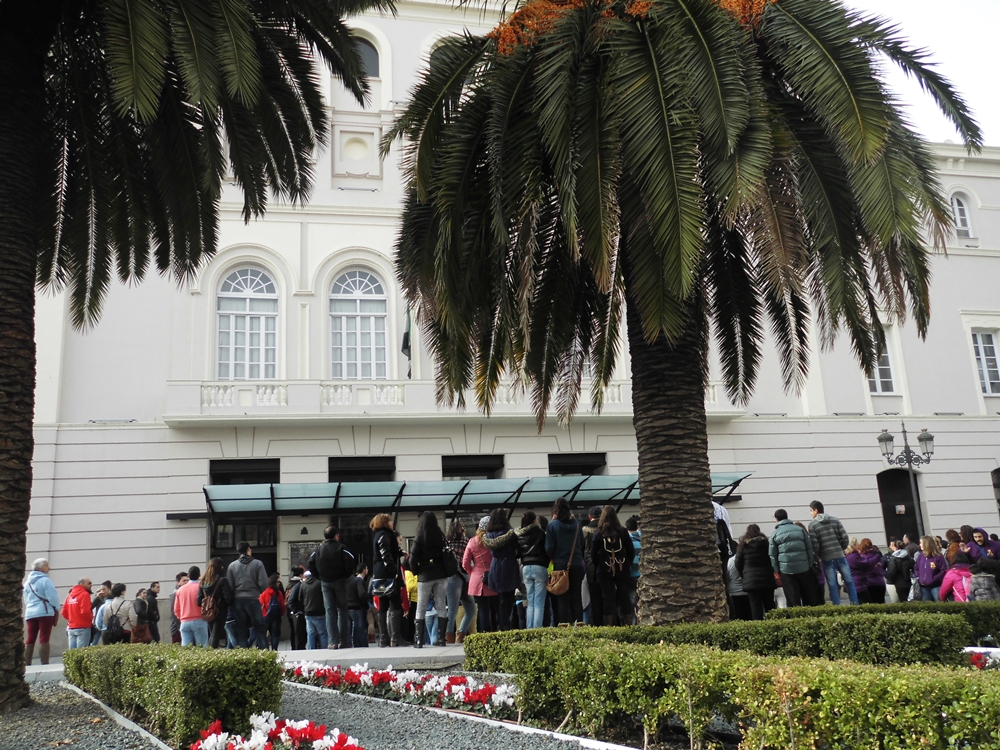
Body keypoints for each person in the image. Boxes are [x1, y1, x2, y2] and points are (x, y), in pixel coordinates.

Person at [408, 511, 451, 647]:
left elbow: (413, 558)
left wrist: (416, 571)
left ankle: (419, 640)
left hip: (425, 575)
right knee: (441, 605)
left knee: (421, 606)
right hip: (441, 574)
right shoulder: (441, 536)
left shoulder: (419, 537)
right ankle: (441, 638)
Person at [309, 526, 356, 650]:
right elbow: (350, 560)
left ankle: (332, 642)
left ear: (325, 537)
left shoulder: (318, 550)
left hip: (325, 582)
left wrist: (319, 576)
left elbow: (310, 563)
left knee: (329, 611)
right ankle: (344, 641)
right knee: (342, 610)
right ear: (337, 536)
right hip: (340, 581)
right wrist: (346, 575)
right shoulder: (342, 548)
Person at [807, 501, 859, 606]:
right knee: (849, 581)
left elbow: (815, 544)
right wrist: (841, 548)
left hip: (826, 557)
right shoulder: (835, 520)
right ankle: (855, 604)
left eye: (811, 511)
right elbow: (844, 537)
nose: (811, 513)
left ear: (816, 510)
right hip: (840, 555)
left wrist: (818, 554)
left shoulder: (812, 525)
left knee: (832, 585)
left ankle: (837, 607)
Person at [591, 506, 635, 626]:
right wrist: (626, 564)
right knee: (624, 596)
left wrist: (599, 566)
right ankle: (628, 624)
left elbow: (593, 553)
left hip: (604, 570)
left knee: (608, 598)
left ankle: (609, 626)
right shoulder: (623, 531)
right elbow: (631, 551)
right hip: (622, 568)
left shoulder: (599, 532)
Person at [545, 497, 586, 625]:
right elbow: (581, 544)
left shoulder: (552, 526)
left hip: (560, 564)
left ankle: (563, 624)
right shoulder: (577, 524)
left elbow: (548, 548)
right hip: (577, 563)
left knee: (562, 596)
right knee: (576, 596)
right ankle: (579, 622)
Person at [371, 513, 407, 647]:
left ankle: (383, 639)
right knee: (395, 603)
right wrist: (393, 570)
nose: (392, 523)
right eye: (390, 521)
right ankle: (395, 638)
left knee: (383, 604)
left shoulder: (378, 535)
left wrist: (399, 553)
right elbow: (385, 554)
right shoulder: (385, 535)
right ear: (385, 523)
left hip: (380, 574)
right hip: (388, 574)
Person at [482, 509, 521, 631]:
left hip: (496, 565)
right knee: (509, 596)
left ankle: (502, 622)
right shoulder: (510, 533)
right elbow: (518, 549)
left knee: (500, 596)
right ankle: (506, 623)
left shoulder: (488, 535)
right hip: (509, 564)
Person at [769, 509, 817, 608]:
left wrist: (776, 570)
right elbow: (809, 548)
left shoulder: (775, 534)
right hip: (804, 567)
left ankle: (796, 617)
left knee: (792, 597)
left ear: (776, 519)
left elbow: (772, 555)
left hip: (786, 570)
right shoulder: (800, 530)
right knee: (807, 595)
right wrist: (809, 563)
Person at [227, 541, 269, 648]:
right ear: (249, 549)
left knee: (241, 630)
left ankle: (245, 656)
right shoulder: (258, 564)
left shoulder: (232, 566)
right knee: (259, 628)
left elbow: (230, 585)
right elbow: (264, 583)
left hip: (238, 601)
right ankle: (264, 653)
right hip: (254, 599)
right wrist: (257, 591)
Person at [464, 517, 499, 632]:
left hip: (477, 580)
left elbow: (465, 563)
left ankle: (484, 633)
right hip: (494, 577)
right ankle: (496, 631)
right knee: (495, 608)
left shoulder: (472, 541)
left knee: (482, 609)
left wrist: (473, 572)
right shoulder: (495, 540)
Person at [23, 558, 61, 665]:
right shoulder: (46, 580)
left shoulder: (27, 583)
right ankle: (44, 662)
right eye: (46, 565)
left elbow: (26, 599)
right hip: (44, 611)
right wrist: (57, 608)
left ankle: (27, 662)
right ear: (40, 568)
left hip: (30, 612)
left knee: (30, 638)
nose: (49, 568)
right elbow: (53, 597)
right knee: (44, 638)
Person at [516, 511, 549, 629]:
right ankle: (537, 628)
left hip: (525, 568)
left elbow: (518, 552)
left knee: (530, 601)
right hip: (539, 567)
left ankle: (529, 629)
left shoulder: (520, 534)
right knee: (539, 602)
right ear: (535, 520)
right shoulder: (540, 533)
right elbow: (547, 549)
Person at [735, 525, 775, 620]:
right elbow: (772, 558)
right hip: (767, 579)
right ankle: (773, 627)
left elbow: (738, 563)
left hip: (751, 581)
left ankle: (758, 629)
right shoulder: (766, 543)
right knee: (770, 605)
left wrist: (745, 575)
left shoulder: (743, 545)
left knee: (755, 607)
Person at [445, 520, 475, 643]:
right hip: (465, 577)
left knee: (452, 610)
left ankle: (448, 637)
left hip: (451, 577)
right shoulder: (465, 541)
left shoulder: (447, 543)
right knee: (471, 610)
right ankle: (460, 635)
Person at [200, 557, 233, 649]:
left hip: (207, 611)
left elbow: (199, 600)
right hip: (220, 610)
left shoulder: (203, 582)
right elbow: (228, 598)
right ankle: (210, 655)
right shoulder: (222, 580)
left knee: (212, 634)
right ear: (220, 567)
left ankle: (210, 652)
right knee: (216, 635)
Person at [174, 566, 209, 646]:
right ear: (199, 575)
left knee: (186, 648)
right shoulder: (202, 588)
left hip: (184, 621)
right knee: (202, 647)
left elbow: (176, 609)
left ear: (188, 576)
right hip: (199, 619)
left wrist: (181, 617)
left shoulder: (180, 590)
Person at [580, 506, 603, 626]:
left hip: (590, 567)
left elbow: (582, 548)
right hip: (605, 566)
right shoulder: (605, 528)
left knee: (594, 598)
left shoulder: (584, 530)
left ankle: (596, 623)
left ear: (590, 516)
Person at [849, 539, 886, 604]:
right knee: (881, 603)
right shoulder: (877, 556)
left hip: (868, 583)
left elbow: (867, 564)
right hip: (880, 582)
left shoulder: (861, 557)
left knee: (870, 604)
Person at [61, 578, 94, 650]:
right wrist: (91, 619)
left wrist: (72, 619)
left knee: (72, 653)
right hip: (83, 627)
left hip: (71, 627)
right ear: (81, 584)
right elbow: (85, 611)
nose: (91, 585)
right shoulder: (85, 594)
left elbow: (63, 612)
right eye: (89, 583)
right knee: (81, 653)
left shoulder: (69, 596)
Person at [915, 535, 947, 601]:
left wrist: (934, 578)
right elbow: (916, 567)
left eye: (921, 543)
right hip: (923, 586)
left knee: (939, 603)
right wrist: (919, 576)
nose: (919, 545)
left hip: (935, 585)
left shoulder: (938, 556)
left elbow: (943, 570)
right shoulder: (921, 556)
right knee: (927, 605)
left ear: (926, 544)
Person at [259, 573, 286, 650]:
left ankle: (265, 650)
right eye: (278, 582)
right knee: (275, 635)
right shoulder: (279, 593)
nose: (279, 583)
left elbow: (261, 604)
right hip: (276, 617)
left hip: (266, 616)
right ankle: (274, 650)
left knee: (264, 635)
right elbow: (281, 605)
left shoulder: (264, 593)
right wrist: (281, 613)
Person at [346, 562, 370, 648]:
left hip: (347, 607)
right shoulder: (358, 581)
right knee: (360, 628)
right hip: (356, 607)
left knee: (349, 630)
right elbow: (362, 594)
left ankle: (352, 644)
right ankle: (363, 645)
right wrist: (365, 605)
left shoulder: (345, 582)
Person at [285, 566, 307, 651]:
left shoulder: (289, 584)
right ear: (301, 575)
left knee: (293, 631)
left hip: (290, 611)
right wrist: (297, 611)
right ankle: (299, 648)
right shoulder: (299, 584)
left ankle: (293, 647)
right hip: (298, 611)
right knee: (300, 632)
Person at [624, 516, 641, 625]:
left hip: (631, 575)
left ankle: (634, 624)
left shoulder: (627, 540)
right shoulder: (645, 539)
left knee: (631, 602)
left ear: (626, 528)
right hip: (643, 575)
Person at [724, 555, 751, 620]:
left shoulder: (731, 560)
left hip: (734, 592)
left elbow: (728, 576)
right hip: (747, 591)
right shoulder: (749, 559)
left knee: (737, 617)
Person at [168, 571, 189, 644]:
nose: (186, 582)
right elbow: (173, 612)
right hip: (177, 628)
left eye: (187, 580)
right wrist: (179, 626)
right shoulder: (175, 594)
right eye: (184, 581)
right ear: (178, 582)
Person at [90, 581, 112, 647]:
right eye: (101, 589)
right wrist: (97, 597)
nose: (102, 591)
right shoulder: (99, 597)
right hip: (98, 623)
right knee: (94, 643)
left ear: (109, 589)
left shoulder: (112, 598)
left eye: (104, 589)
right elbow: (91, 607)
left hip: (107, 624)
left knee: (106, 643)